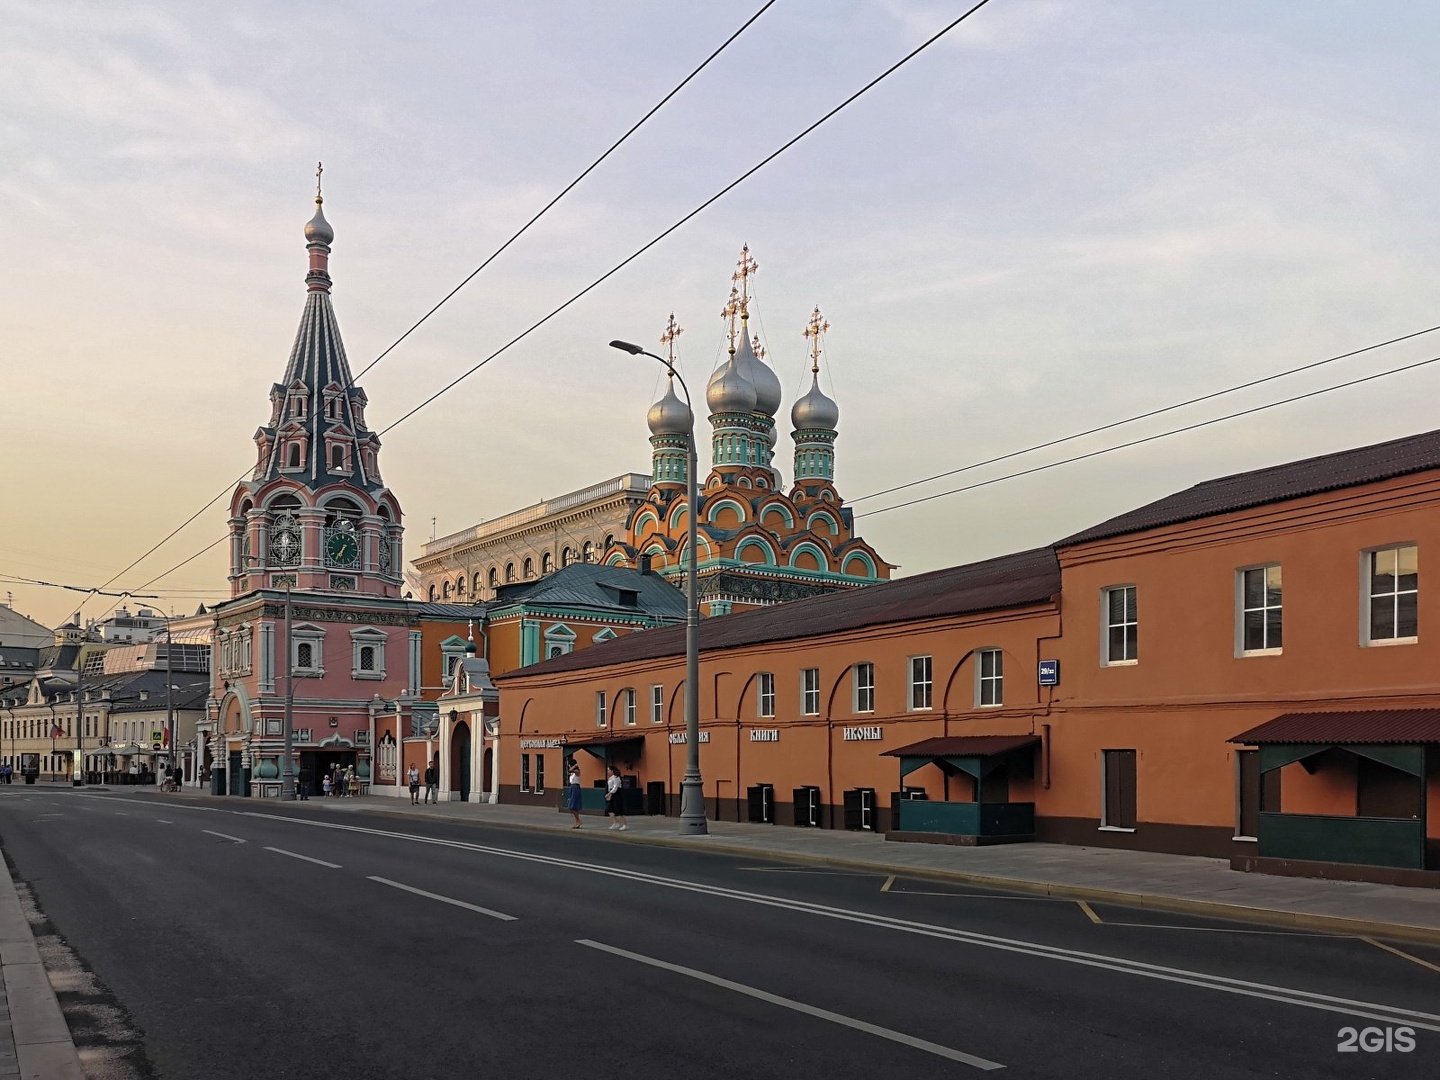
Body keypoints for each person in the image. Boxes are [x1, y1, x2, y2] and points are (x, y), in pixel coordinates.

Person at [605, 765, 626, 831]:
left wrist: (609, 793)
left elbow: (615, 787)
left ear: (612, 771)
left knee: (619, 809)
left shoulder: (616, 778)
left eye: (608, 770)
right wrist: (609, 794)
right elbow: (610, 787)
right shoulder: (610, 778)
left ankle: (625, 824)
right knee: (610, 809)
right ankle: (615, 823)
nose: (607, 771)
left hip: (617, 794)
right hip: (612, 794)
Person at [564, 761, 582, 828]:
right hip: (572, 787)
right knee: (573, 806)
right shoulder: (572, 773)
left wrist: (574, 766)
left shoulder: (577, 771)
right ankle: (577, 822)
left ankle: (579, 820)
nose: (569, 766)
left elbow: (570, 770)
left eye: (569, 765)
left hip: (575, 787)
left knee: (572, 806)